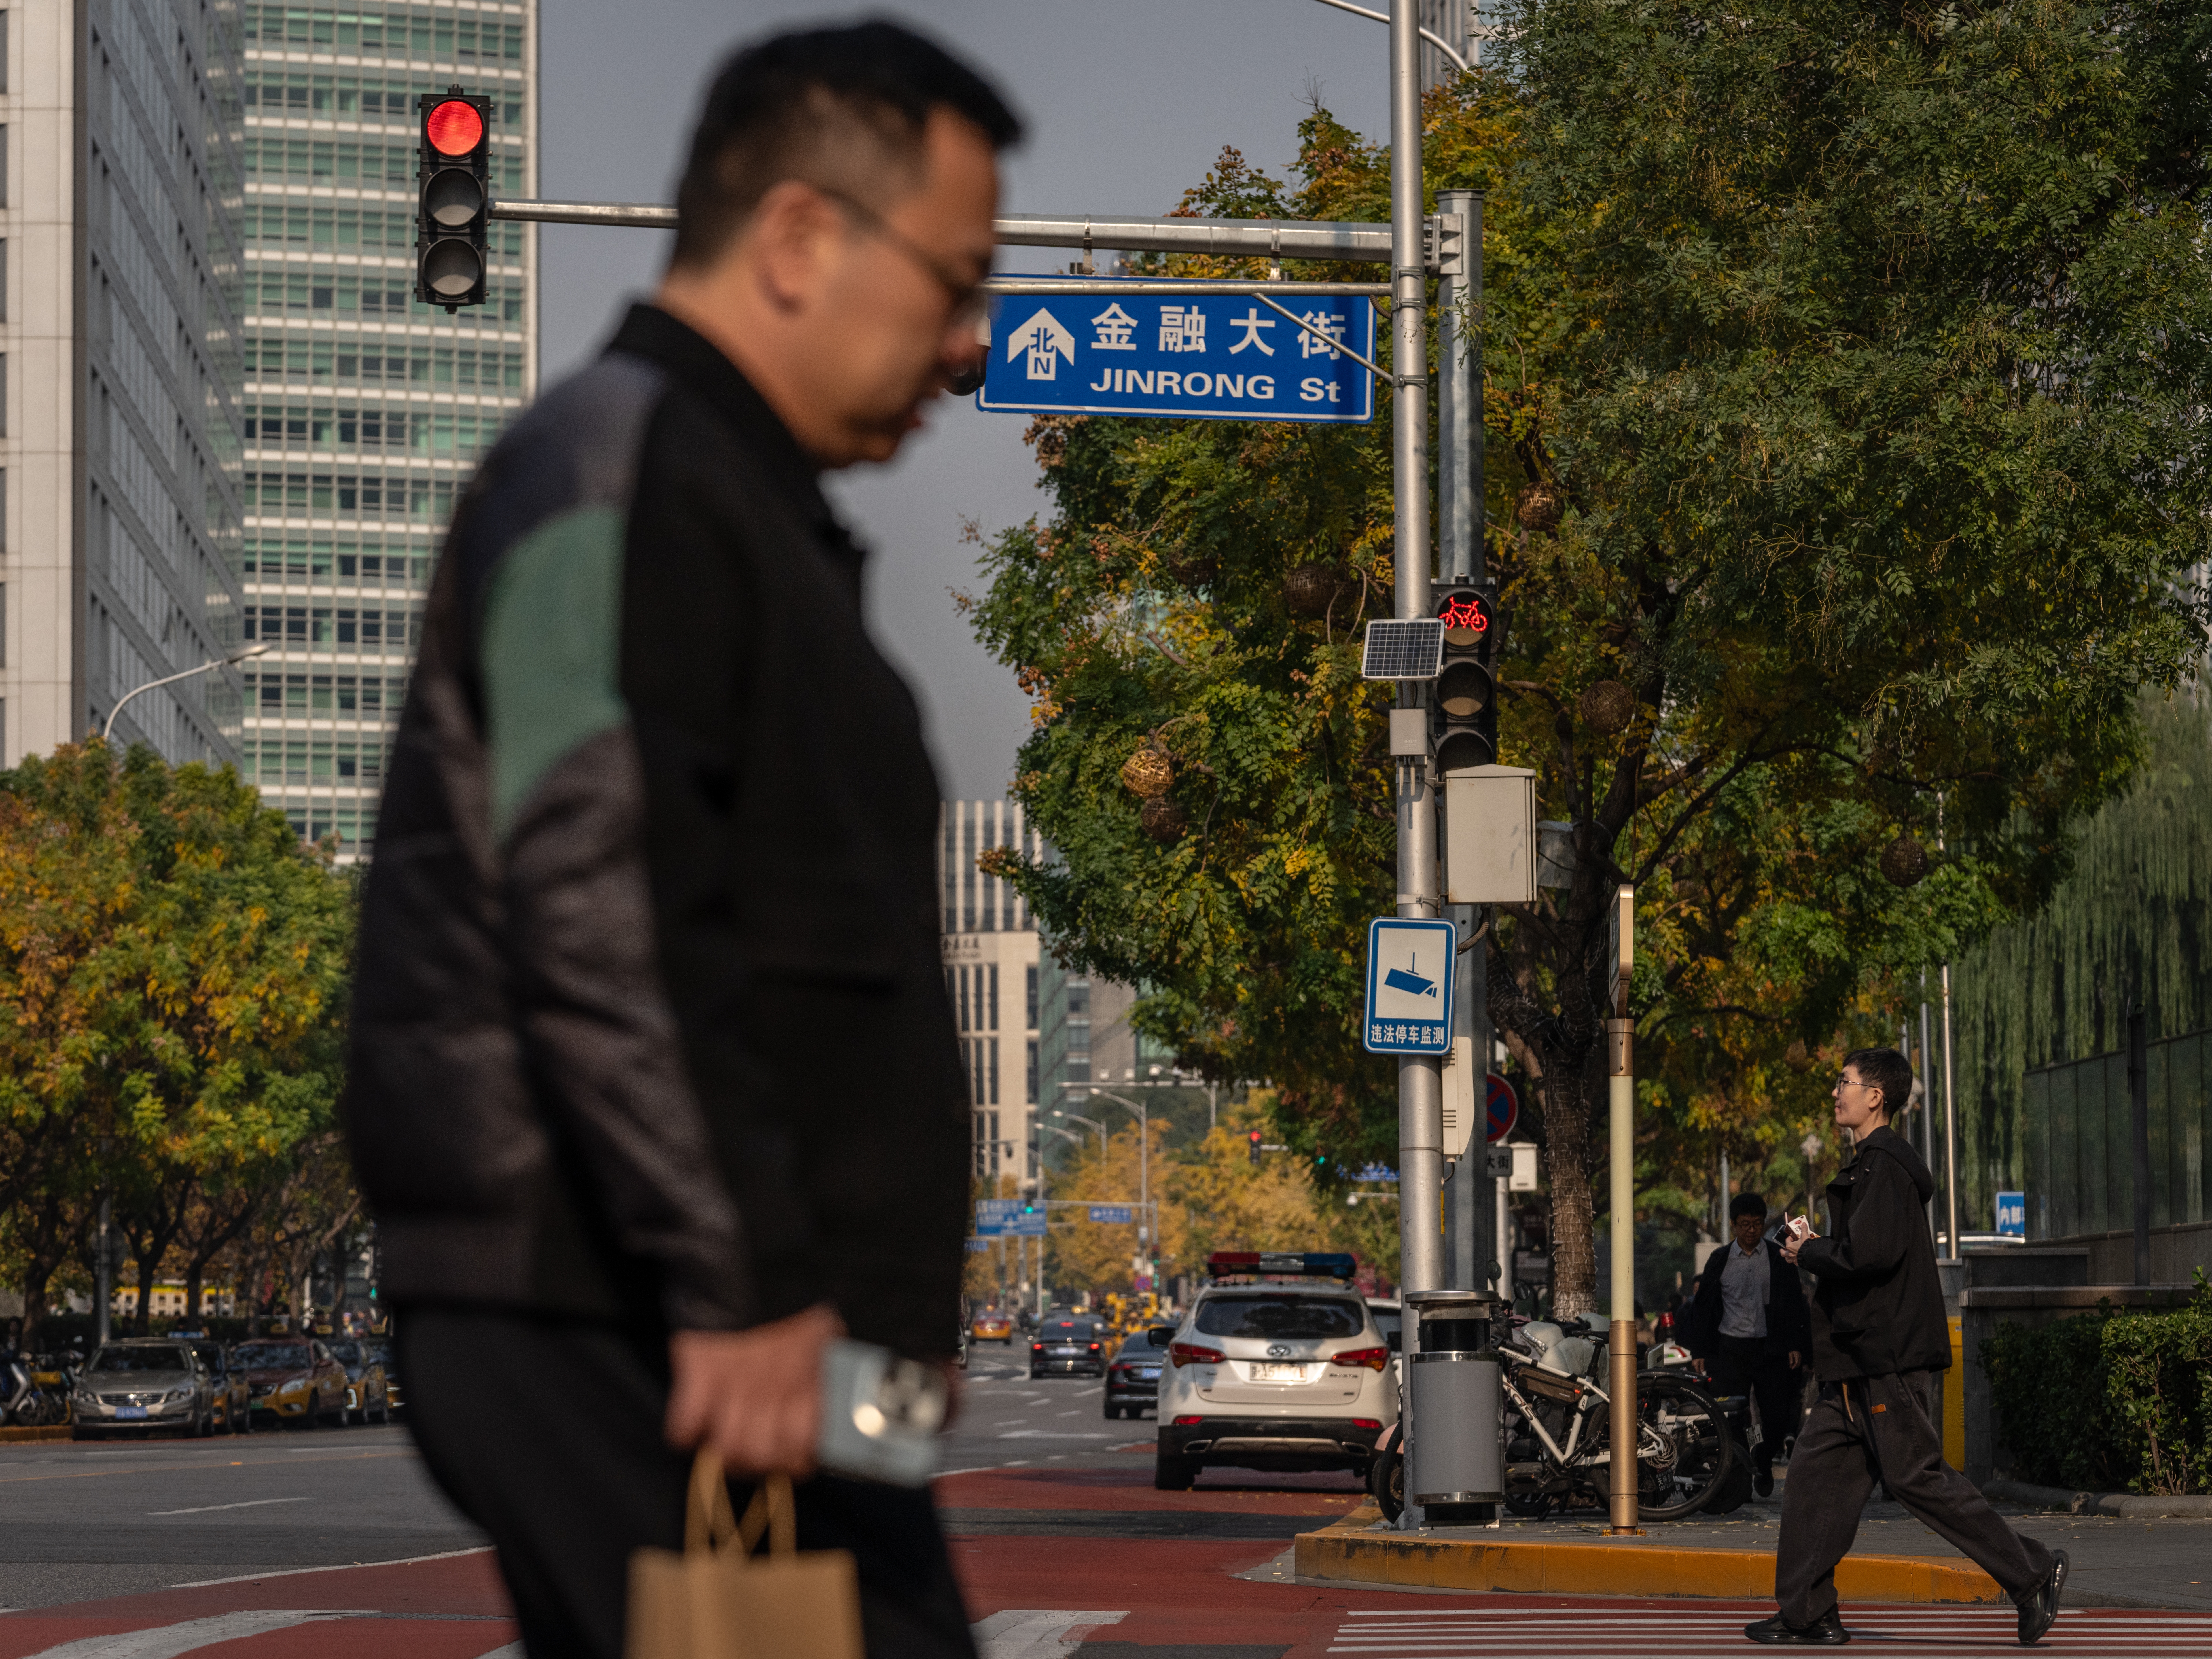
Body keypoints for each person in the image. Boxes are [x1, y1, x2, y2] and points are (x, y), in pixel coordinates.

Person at [345, 23, 1019, 1659]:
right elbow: (592, 889)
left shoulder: (725, 499)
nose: (973, 344)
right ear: (797, 238)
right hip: (633, 1302)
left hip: (758, 1323)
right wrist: (731, 1279)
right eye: (953, 279)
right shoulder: (609, 472)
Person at [1745, 1049, 2068, 1647]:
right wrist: (1818, 1245)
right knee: (1815, 1481)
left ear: (1876, 1097)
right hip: (1854, 1361)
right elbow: (1867, 1251)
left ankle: (2032, 1574)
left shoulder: (1887, 1166)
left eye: (1846, 1082)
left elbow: (1869, 1256)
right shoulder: (1871, 1166)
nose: (1836, 1090)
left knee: (1918, 1479)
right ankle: (1806, 1611)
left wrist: (1807, 1252)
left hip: (1884, 1359)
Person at [1686, 1191, 1810, 1498]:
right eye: (1744, 1225)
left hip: (1771, 1349)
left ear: (1764, 1224)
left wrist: (1796, 1344)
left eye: (1756, 1224)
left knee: (1778, 1415)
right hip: (1732, 1348)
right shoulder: (1720, 1260)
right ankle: (1739, 1477)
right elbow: (1704, 1307)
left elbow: (1795, 1303)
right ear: (1734, 1225)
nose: (1751, 1230)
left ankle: (1764, 1460)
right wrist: (1700, 1352)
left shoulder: (1778, 1258)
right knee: (1734, 1416)